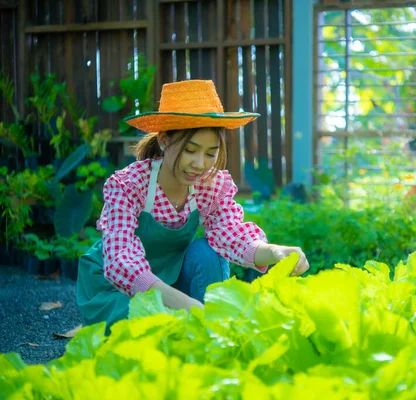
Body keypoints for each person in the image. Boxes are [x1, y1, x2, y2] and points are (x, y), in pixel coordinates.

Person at [76, 80, 309, 332]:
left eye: (210, 153)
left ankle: (213, 329)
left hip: (170, 283)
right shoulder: (129, 185)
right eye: (190, 150)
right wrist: (184, 304)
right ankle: (196, 325)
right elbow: (121, 261)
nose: (200, 164)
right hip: (115, 290)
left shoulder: (210, 186)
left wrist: (275, 252)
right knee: (148, 326)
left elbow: (231, 236)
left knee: (208, 253)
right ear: (164, 140)